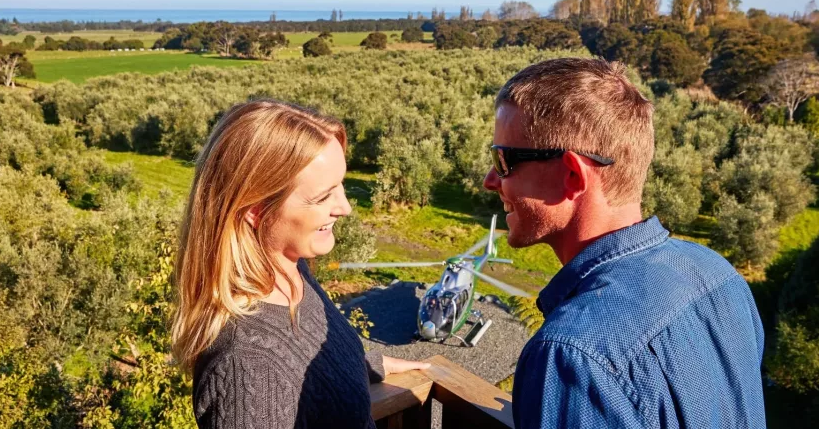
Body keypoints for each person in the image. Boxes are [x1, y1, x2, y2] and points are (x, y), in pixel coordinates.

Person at [483, 58, 766, 428]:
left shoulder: (570, 355)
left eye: (503, 160)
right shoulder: (717, 274)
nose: (491, 179)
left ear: (572, 174)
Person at [171, 99, 429, 429]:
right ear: (254, 209)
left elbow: (299, 361)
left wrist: (365, 363)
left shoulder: (291, 272)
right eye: (323, 196)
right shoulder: (245, 367)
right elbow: (275, 369)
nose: (345, 207)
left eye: (342, 185)